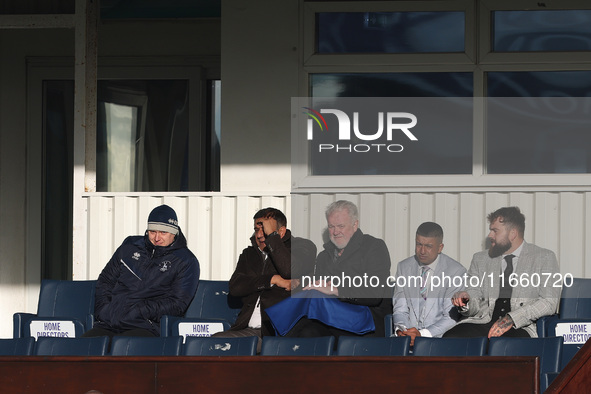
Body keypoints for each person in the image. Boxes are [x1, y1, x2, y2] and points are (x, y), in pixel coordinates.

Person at [83, 204, 199, 339]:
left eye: (163, 232)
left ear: (174, 233)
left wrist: (140, 311)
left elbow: (177, 303)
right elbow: (105, 280)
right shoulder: (130, 246)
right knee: (83, 347)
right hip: (110, 322)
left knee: (125, 348)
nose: (157, 238)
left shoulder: (186, 261)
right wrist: (104, 310)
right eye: (152, 232)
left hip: (146, 326)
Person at [444, 206, 560, 338]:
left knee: (505, 345)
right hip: (484, 322)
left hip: (520, 326)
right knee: (451, 338)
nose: (490, 235)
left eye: (495, 231)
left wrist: (512, 318)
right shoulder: (480, 259)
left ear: (512, 233)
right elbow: (474, 298)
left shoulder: (544, 257)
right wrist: (466, 300)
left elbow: (549, 302)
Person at [212, 208, 316, 351]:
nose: (260, 235)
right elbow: (236, 287)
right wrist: (272, 280)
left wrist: (273, 238)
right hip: (249, 331)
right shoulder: (249, 254)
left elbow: (289, 270)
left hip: (281, 333)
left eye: (265, 230)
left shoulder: (303, 247)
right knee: (212, 343)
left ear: (281, 231)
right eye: (256, 230)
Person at [285, 200, 392, 338]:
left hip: (365, 320)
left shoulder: (374, 247)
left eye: (341, 226)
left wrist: (337, 290)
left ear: (355, 225)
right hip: (331, 320)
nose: (335, 232)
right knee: (304, 331)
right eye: (331, 226)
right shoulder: (324, 256)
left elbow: (375, 293)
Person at [392, 222, 466, 345]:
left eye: (428, 246)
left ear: (440, 247)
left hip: (439, 341)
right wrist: (402, 331)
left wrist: (422, 335)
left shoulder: (456, 271)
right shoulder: (403, 267)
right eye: (419, 244)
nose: (422, 250)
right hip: (406, 339)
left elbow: (451, 318)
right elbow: (400, 310)